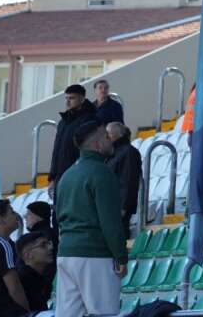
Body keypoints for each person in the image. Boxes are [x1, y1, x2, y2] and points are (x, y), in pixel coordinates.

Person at [54, 121, 127, 317]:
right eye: (105, 136)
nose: (109, 139)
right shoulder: (102, 173)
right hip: (94, 254)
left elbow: (58, 217)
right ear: (96, 145)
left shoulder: (67, 175)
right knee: (103, 313)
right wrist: (120, 256)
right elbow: (110, 222)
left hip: (66, 253)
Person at [48, 84, 97, 188]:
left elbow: (89, 149)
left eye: (72, 98)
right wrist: (52, 178)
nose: (67, 102)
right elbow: (56, 150)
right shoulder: (63, 121)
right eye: (66, 98)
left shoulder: (90, 120)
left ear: (82, 99)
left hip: (78, 176)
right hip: (60, 176)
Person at [104, 122, 142, 238]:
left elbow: (128, 181)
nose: (106, 138)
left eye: (108, 134)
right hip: (111, 206)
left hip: (119, 209)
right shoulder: (113, 153)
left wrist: (123, 207)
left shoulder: (128, 152)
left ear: (118, 135)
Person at [0, 200, 29, 317]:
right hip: (5, 310)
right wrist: (27, 312)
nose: (16, 216)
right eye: (12, 212)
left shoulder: (7, 244)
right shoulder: (2, 245)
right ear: (2, 219)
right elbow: (14, 286)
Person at [15, 231, 54, 313]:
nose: (50, 247)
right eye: (43, 245)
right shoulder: (23, 280)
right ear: (28, 255)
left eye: (49, 243)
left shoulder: (40, 277)